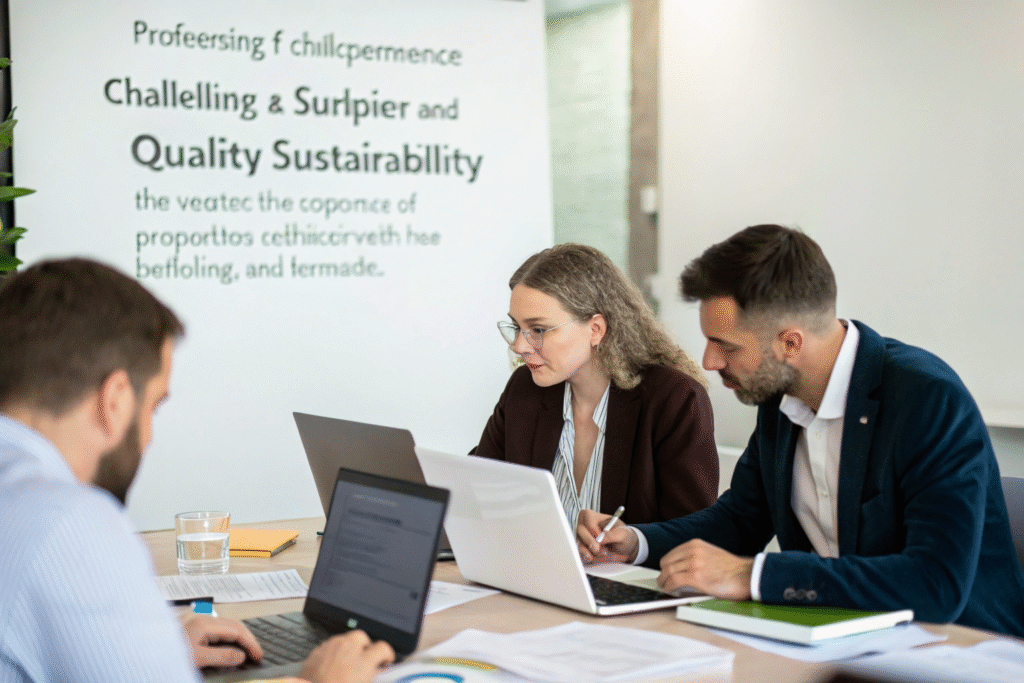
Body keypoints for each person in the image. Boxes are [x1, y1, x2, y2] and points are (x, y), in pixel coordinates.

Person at [577, 224, 1024, 637]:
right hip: (839, 635)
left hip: (960, 646)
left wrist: (752, 575)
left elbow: (936, 583)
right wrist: (635, 543)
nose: (709, 362)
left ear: (790, 343)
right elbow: (741, 519)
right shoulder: (779, 397)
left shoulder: (928, 399)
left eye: (725, 346)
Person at [0, 258, 395, 682]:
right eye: (153, 406)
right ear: (114, 401)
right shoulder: (69, 522)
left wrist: (145, 647)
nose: (149, 436)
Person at [474, 243, 719, 527]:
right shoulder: (524, 389)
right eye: (517, 328)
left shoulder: (674, 399)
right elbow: (477, 488)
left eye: (538, 330)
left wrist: (632, 542)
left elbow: (692, 532)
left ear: (595, 329)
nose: (519, 346)